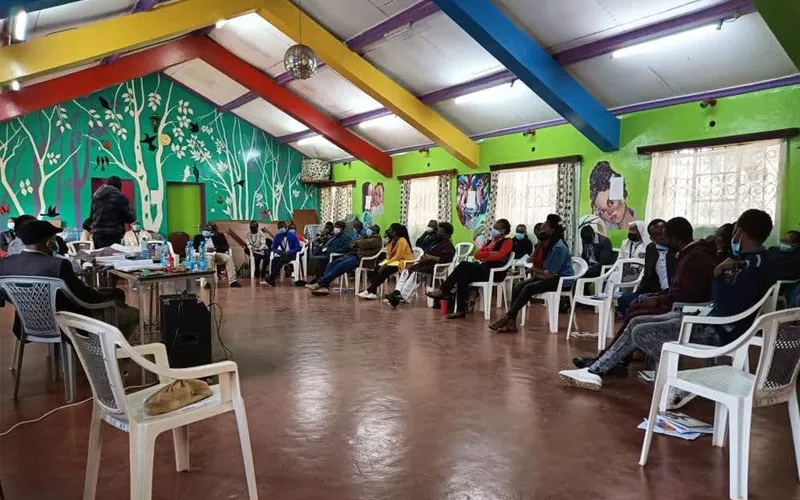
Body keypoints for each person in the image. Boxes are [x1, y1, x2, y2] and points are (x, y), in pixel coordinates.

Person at [559, 209, 776, 396]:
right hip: (709, 318)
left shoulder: (750, 267)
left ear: (740, 232)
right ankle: (598, 370)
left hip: (718, 330)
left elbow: (725, 304)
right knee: (637, 320)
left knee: (640, 331)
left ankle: (678, 379)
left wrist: (718, 274)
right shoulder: (752, 261)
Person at [570, 217, 718, 375]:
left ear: (676, 238)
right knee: (635, 308)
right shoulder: (680, 253)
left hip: (685, 311)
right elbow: (652, 280)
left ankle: (607, 363)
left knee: (637, 320)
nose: (663, 239)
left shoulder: (694, 257)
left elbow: (687, 295)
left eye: (665, 235)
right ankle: (607, 361)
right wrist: (649, 296)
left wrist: (658, 299)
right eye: (657, 235)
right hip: (671, 299)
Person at [0, 220, 139, 339]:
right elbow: (85, 296)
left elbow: (6, 296)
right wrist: (108, 294)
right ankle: (111, 353)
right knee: (132, 313)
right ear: (48, 242)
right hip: (68, 323)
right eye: (54, 238)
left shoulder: (6, 264)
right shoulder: (57, 265)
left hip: (26, 323)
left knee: (114, 295)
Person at [489, 218, 573, 333]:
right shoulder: (543, 245)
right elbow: (538, 264)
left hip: (561, 281)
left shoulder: (559, 248)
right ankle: (512, 323)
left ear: (552, 231)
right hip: (546, 276)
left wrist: (534, 269)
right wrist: (536, 269)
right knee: (518, 286)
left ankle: (508, 317)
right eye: (540, 229)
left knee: (529, 287)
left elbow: (551, 274)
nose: (540, 231)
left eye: (544, 229)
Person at [426, 219, 514, 319]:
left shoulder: (508, 241)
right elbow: (477, 254)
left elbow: (499, 256)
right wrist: (490, 254)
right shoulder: (490, 242)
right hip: (485, 269)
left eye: (497, 229)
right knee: (462, 276)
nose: (494, 230)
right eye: (494, 228)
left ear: (503, 231)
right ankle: (460, 310)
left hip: (495, 273)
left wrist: (486, 255)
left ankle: (443, 290)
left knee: (463, 265)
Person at [385, 222, 456, 307]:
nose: (438, 233)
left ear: (446, 234)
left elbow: (447, 259)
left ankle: (402, 297)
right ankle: (397, 293)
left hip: (434, 268)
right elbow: (420, 243)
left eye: (440, 232)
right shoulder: (436, 241)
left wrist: (431, 257)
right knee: (406, 271)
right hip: (424, 264)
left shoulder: (448, 246)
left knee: (416, 274)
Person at [616, 219, 676, 315]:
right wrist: (639, 293)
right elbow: (647, 275)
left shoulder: (677, 249)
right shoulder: (651, 249)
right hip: (655, 291)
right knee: (624, 300)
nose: (661, 237)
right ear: (651, 238)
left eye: (663, 232)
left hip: (671, 294)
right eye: (656, 234)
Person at [310, 225, 383, 296]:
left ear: (374, 231)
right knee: (331, 264)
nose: (367, 230)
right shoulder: (365, 237)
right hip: (353, 255)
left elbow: (363, 244)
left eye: (369, 229)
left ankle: (319, 284)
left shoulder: (377, 239)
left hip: (362, 260)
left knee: (340, 266)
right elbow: (351, 244)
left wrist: (357, 243)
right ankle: (324, 286)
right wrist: (357, 243)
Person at [358, 223, 414, 300]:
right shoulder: (392, 241)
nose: (389, 231)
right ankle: (373, 292)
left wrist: (386, 263)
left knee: (384, 270)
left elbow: (398, 256)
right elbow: (389, 255)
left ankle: (370, 290)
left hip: (404, 262)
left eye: (391, 230)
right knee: (377, 267)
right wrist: (386, 261)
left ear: (395, 232)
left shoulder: (402, 240)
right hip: (395, 261)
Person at [588, 161, 636, 230]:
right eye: (602, 210)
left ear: (622, 194)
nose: (609, 213)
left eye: (610, 203)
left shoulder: (641, 221)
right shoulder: (604, 227)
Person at [90, 176, 136, 248]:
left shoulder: (96, 197)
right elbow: (130, 218)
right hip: (113, 235)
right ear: (119, 186)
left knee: (99, 258)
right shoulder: (120, 198)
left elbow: (91, 216)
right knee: (112, 258)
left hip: (97, 235)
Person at [193, 224, 241, 288]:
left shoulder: (219, 236)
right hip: (204, 255)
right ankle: (209, 282)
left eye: (209, 230)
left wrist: (215, 249)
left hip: (217, 254)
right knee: (209, 258)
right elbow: (195, 248)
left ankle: (233, 281)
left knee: (228, 258)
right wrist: (204, 249)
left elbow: (225, 247)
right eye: (205, 230)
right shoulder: (198, 237)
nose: (207, 231)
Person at [265, 221, 302, 286]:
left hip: (291, 254)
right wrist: (279, 252)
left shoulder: (292, 235)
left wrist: (289, 252)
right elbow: (273, 248)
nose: (282, 229)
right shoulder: (278, 236)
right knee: (274, 260)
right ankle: (272, 281)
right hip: (282, 253)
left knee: (281, 260)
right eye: (280, 228)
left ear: (286, 227)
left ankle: (271, 277)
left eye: (283, 227)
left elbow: (298, 248)